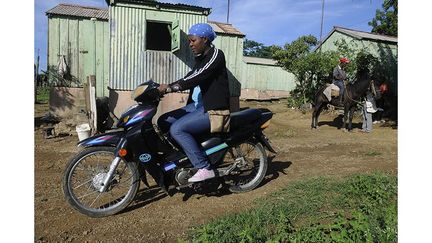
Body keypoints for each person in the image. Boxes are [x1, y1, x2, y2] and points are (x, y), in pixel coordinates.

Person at [157, 23, 230, 183]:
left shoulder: (216, 55)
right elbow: (191, 75)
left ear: (204, 39)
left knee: (177, 129)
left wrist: (171, 88)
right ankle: (183, 155)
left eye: (192, 40)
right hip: (198, 106)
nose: (190, 44)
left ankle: (204, 167)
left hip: (213, 108)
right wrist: (165, 86)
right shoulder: (201, 58)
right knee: (163, 120)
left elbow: (199, 76)